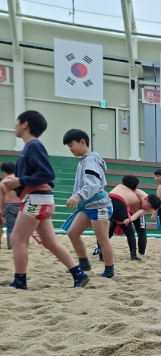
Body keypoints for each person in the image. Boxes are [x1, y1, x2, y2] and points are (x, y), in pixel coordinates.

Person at [2, 110, 89, 289]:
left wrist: (19, 181)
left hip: (35, 199)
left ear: (25, 124)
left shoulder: (33, 146)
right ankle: (79, 274)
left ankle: (20, 281)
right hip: (41, 199)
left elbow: (48, 174)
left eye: (17, 122)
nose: (14, 126)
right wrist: (17, 184)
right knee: (49, 241)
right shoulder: (31, 147)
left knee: (17, 239)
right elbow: (45, 177)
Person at [61, 129, 115, 278]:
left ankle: (109, 270)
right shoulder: (86, 160)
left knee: (102, 239)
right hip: (88, 205)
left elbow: (93, 184)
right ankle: (84, 263)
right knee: (73, 233)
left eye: (71, 145)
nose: (70, 149)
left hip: (99, 205)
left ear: (82, 142)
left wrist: (78, 196)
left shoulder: (90, 160)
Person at [101, 175, 152, 262]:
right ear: (136, 186)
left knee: (107, 231)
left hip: (110, 203)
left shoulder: (120, 187)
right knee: (131, 233)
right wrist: (129, 218)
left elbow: (139, 212)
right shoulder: (135, 194)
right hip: (123, 208)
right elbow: (137, 212)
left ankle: (100, 253)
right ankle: (135, 255)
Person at [0, 161, 20, 250]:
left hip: (9, 205)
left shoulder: (2, 182)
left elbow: (1, 198)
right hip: (21, 205)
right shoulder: (19, 180)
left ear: (4, 171)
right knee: (23, 227)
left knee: (10, 227)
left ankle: (11, 246)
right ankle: (24, 244)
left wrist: (1, 209)